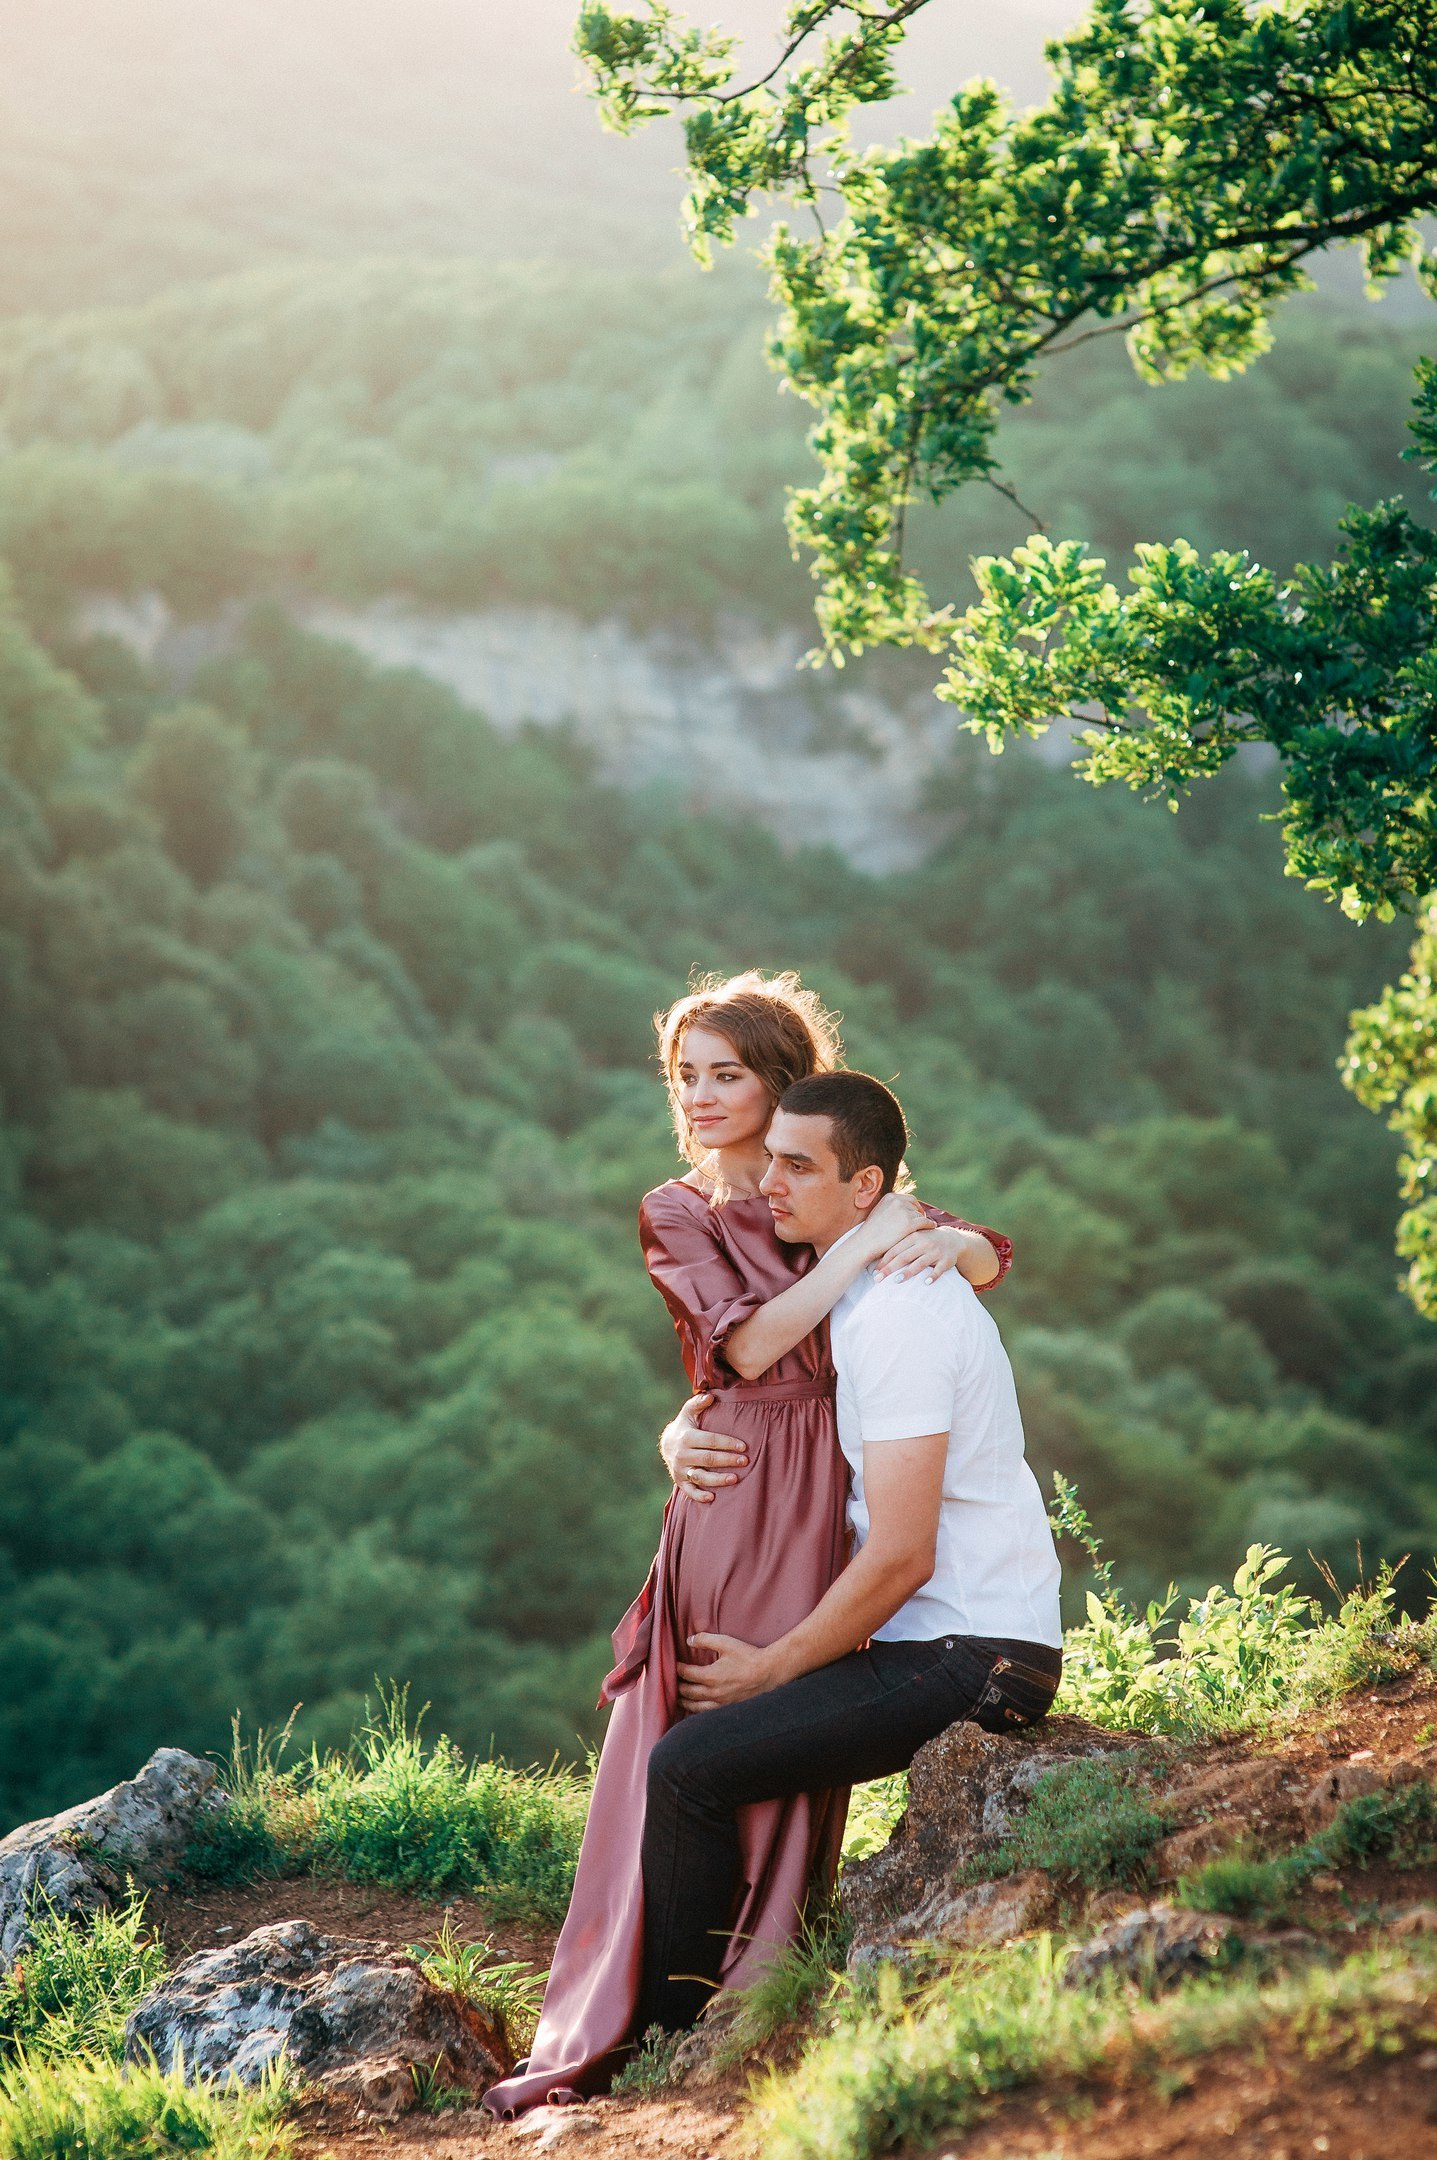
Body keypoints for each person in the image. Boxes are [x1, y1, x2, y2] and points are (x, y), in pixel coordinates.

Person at [484, 974, 1011, 2116]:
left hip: (833, 1506)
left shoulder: (826, 1186)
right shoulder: (681, 1209)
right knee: (725, 1714)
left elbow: (974, 1254)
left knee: (788, 1722)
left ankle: (766, 1974)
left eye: (730, 1074)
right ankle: (670, 2003)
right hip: (744, 1490)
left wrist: (942, 1242)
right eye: (688, 1076)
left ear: (784, 1085)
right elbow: (753, 1350)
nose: (706, 1096)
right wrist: (683, 1424)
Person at [635, 1069, 1062, 2039]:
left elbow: (905, 1553)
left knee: (688, 1769)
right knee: (703, 1762)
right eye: (769, 1158)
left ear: (864, 1189)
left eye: (798, 1164)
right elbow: (746, 1373)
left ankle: (668, 2046)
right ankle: (703, 2013)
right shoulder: (860, 1298)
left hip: (973, 1654)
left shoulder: (901, 1311)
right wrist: (681, 1431)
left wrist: (772, 1668)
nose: (770, 1183)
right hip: (942, 1642)